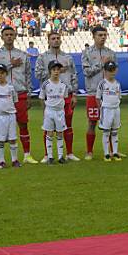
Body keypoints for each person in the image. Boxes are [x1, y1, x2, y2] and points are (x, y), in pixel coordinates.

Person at [0, 27, 37, 165]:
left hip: (20, 93)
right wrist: (10, 65)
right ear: (2, 37)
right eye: (6, 35)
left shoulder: (23, 54)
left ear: (15, 36)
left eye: (11, 34)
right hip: (2, 96)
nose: (9, 37)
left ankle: (27, 155)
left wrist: (28, 94)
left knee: (23, 124)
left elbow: (28, 75)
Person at [35, 31, 80, 161]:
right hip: (50, 97)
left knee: (67, 125)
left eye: (58, 38)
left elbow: (74, 76)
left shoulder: (68, 57)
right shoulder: (42, 57)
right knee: (48, 126)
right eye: (53, 38)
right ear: (48, 41)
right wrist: (53, 71)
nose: (56, 40)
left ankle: (69, 153)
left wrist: (75, 94)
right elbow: (37, 74)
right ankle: (47, 155)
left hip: (66, 95)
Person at [81, 26, 117, 160]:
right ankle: (89, 151)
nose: (102, 37)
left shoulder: (111, 53)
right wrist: (101, 64)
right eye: (99, 35)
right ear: (93, 36)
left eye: (104, 35)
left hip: (109, 94)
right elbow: (86, 72)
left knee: (112, 123)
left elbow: (114, 71)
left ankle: (113, 151)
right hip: (93, 92)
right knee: (92, 122)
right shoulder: (87, 53)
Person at [0, 63, 21, 169]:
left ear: (6, 74)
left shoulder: (11, 87)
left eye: (2, 73)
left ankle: (14, 160)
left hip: (10, 116)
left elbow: (15, 101)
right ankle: (1, 161)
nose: (0, 75)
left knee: (12, 139)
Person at [39, 61, 70, 164]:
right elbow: (42, 98)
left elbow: (65, 98)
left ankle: (61, 156)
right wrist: (44, 111)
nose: (56, 72)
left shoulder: (63, 85)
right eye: (54, 70)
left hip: (60, 112)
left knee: (60, 133)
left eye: (58, 70)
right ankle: (50, 157)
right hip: (49, 111)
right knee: (49, 133)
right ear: (50, 71)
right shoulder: (46, 84)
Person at [97, 61, 123, 161]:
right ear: (105, 71)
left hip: (116, 109)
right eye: (109, 71)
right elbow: (98, 98)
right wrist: (102, 108)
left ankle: (115, 152)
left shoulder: (117, 84)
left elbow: (119, 96)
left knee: (115, 131)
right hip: (106, 110)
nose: (111, 73)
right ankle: (106, 153)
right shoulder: (102, 83)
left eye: (113, 70)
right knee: (106, 131)